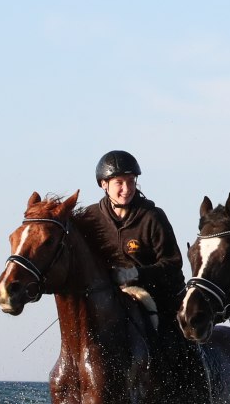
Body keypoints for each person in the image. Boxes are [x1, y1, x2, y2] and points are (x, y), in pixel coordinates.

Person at [74, 150, 205, 402]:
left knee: (176, 345)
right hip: (109, 299)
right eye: (119, 183)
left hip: (155, 297)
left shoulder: (152, 217)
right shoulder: (90, 218)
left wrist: (136, 274)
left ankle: (195, 392)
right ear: (104, 185)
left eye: (131, 182)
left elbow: (173, 264)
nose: (126, 188)